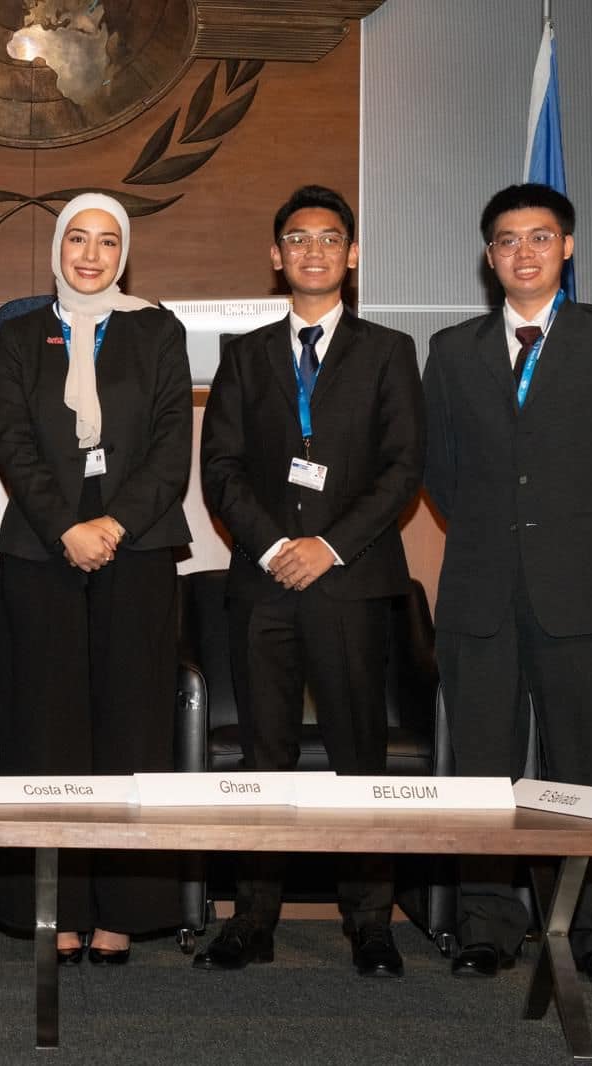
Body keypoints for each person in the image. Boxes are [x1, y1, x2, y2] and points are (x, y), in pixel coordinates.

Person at [423, 183, 592, 983]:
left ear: (566, 248)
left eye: (539, 237)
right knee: (480, 771)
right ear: (487, 257)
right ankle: (487, 925)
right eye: (505, 241)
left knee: (584, 765)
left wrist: (582, 540)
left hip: (580, 587)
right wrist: (503, 537)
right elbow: (442, 471)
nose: (522, 253)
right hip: (480, 588)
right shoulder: (453, 350)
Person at [197, 185, 425, 977]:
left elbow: (403, 471)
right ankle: (251, 920)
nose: (314, 252)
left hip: (350, 582)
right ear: (275, 255)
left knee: (360, 753)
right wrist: (273, 547)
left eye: (330, 239)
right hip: (263, 586)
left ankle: (370, 922)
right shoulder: (245, 355)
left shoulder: (390, 352)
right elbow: (220, 471)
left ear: (351, 255)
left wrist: (327, 545)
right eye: (297, 239)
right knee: (264, 757)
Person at [0, 193, 192, 963]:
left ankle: (126, 913)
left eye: (108, 242)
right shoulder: (14, 335)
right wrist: (66, 527)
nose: (91, 254)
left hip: (136, 551)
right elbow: (14, 445)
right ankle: (55, 907)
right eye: (78, 238)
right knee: (48, 731)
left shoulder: (156, 329)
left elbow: (174, 444)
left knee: (133, 727)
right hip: (44, 553)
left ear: (124, 252)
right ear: (58, 247)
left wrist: (112, 525)